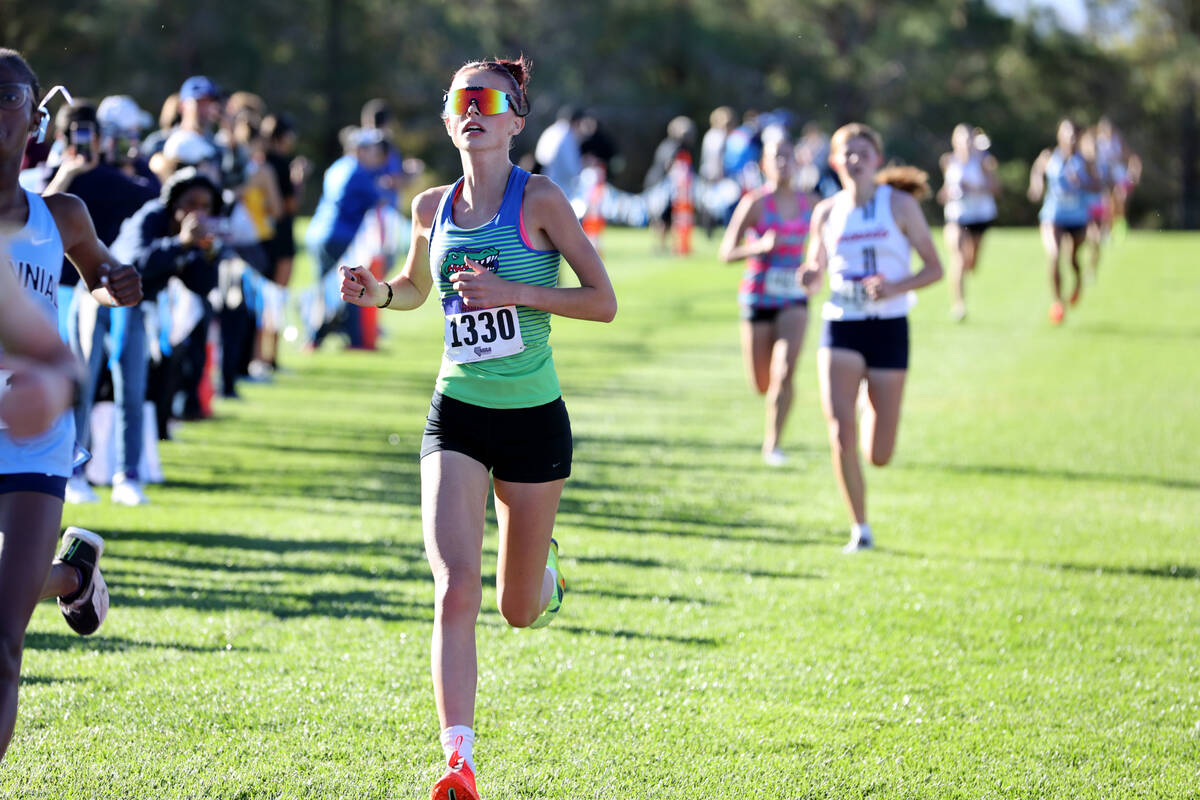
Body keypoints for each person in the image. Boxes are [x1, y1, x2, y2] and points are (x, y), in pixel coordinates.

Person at [338, 56, 616, 800]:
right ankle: (457, 761)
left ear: (516, 120)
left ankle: (543, 573)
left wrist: (512, 290)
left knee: (517, 611)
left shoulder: (541, 199)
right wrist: (378, 294)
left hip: (533, 420)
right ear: (447, 116)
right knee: (454, 587)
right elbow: (415, 288)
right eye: (462, 99)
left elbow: (602, 300)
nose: (474, 111)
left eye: (490, 101)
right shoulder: (430, 206)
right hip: (456, 410)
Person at [0, 48, 142, 763]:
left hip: (33, 432)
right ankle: (73, 576)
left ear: (35, 121)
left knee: (3, 638)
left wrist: (118, 282)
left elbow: (101, 275)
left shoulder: (61, 214)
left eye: (7, 98)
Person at [799, 123, 943, 553]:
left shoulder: (898, 204)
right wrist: (809, 276)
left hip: (889, 326)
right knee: (839, 432)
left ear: (877, 159)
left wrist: (896, 287)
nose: (855, 160)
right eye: (847, 153)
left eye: (863, 152)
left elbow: (935, 268)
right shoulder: (826, 212)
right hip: (842, 323)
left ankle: (867, 402)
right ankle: (860, 528)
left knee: (879, 454)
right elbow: (816, 270)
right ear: (834, 161)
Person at [43, 99, 159, 505]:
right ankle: (73, 471)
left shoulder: (114, 176)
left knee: (130, 379)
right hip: (58, 295)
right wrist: (68, 172)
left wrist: (132, 161)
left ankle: (127, 473)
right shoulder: (49, 178)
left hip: (111, 289)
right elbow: (36, 220)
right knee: (78, 384)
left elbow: (156, 198)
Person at [718, 135, 816, 466]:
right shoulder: (755, 203)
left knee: (784, 373)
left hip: (794, 298)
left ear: (798, 161)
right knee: (761, 383)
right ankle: (772, 432)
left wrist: (814, 269)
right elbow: (726, 252)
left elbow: (825, 248)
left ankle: (773, 444)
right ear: (764, 164)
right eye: (777, 157)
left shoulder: (811, 203)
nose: (783, 162)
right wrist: (758, 247)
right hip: (758, 298)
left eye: (788, 156)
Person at [1028, 119, 1093, 324]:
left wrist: (1081, 183)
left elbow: (1098, 185)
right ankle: (1057, 302)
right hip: (1053, 216)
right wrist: (1037, 186)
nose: (1070, 138)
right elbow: (1037, 170)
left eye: (1074, 135)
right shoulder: (1049, 157)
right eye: (1066, 134)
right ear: (1059, 135)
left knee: (1072, 258)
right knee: (1054, 255)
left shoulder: (1085, 161)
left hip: (1077, 217)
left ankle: (1078, 282)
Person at [937, 124, 998, 322]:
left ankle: (970, 267)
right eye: (961, 139)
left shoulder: (984, 162)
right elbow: (945, 190)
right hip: (956, 216)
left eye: (968, 139)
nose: (965, 143)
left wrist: (973, 188)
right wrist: (946, 194)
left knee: (971, 262)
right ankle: (959, 305)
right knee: (958, 259)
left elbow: (996, 188)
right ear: (954, 141)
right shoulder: (948, 161)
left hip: (979, 216)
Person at [533, 105, 583, 196]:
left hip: (546, 180)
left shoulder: (551, 130)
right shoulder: (567, 136)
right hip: (562, 187)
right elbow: (571, 169)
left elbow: (539, 156)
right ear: (577, 122)